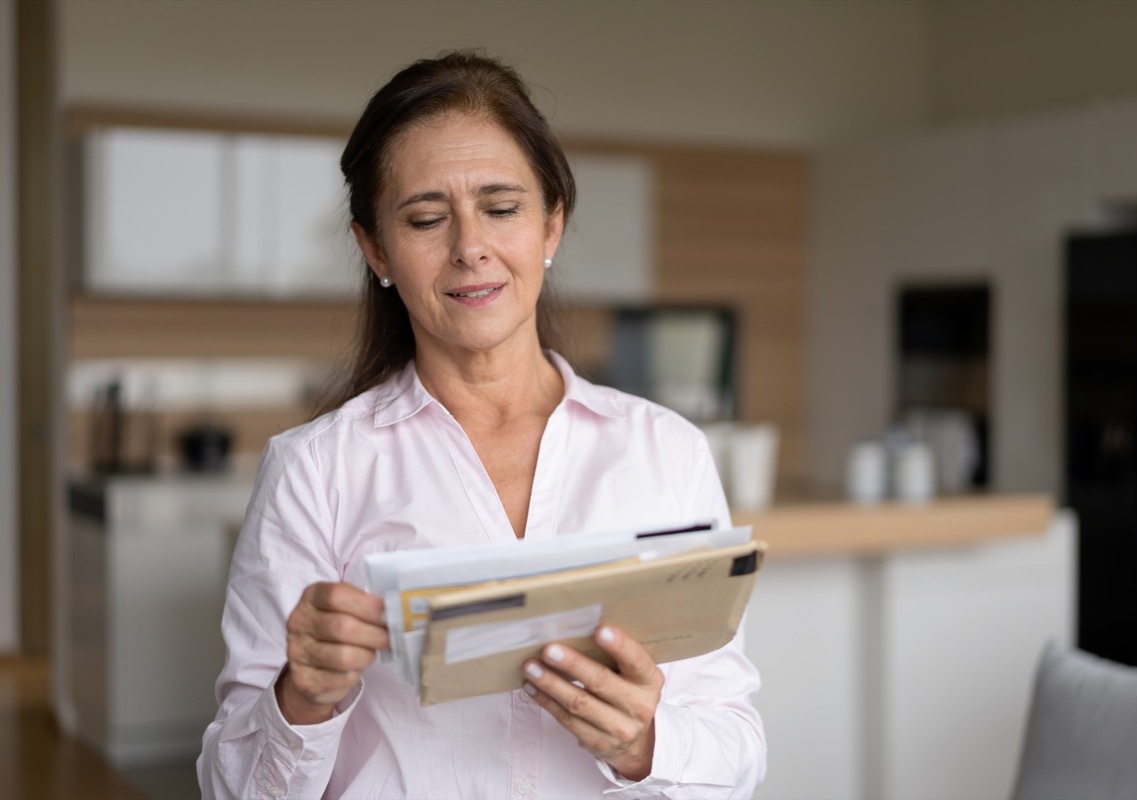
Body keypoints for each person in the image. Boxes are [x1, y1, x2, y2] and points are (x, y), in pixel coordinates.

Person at [197, 50, 766, 799]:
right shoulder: (315, 469)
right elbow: (232, 790)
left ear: (551, 224)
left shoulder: (665, 451)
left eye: (501, 208)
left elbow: (737, 749)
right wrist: (301, 701)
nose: (470, 247)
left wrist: (644, 744)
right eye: (427, 219)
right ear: (376, 249)